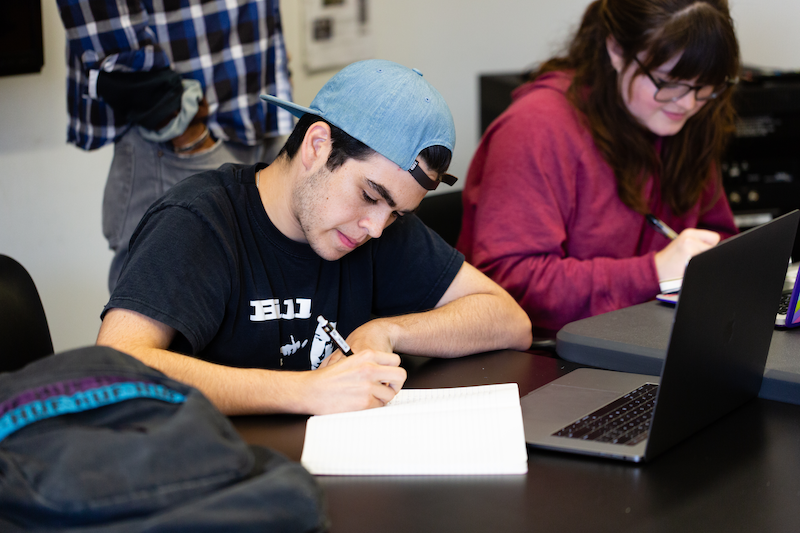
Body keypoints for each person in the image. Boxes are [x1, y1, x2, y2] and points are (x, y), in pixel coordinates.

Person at [96, 60, 533, 416]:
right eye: (369, 195)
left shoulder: (377, 224)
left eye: (396, 213)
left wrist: (387, 332)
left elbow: (510, 321)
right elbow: (114, 368)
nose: (376, 229)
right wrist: (306, 391)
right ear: (317, 145)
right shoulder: (198, 221)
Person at [458, 0, 740, 335]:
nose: (688, 103)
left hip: (648, 334)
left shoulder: (684, 117)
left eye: (704, 86)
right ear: (617, 50)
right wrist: (654, 272)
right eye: (668, 81)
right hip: (550, 352)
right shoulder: (536, 127)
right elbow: (512, 284)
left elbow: (719, 237)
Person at [56, 0, 293, 292]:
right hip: (178, 140)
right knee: (157, 315)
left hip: (256, 119)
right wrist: (176, 120)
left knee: (251, 311)